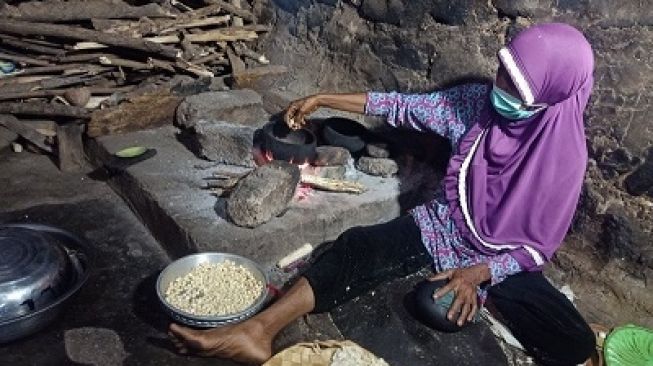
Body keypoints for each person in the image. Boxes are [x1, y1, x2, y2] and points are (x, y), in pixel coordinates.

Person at [169, 23, 598, 366]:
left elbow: (536, 250)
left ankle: (492, 300)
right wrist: (323, 98)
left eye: (518, 85)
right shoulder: (476, 104)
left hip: (501, 256)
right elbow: (401, 105)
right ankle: (257, 331)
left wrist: (478, 273)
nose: (501, 86)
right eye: (504, 69)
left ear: (552, 95)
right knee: (358, 246)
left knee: (570, 341)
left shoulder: (564, 156)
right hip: (446, 225)